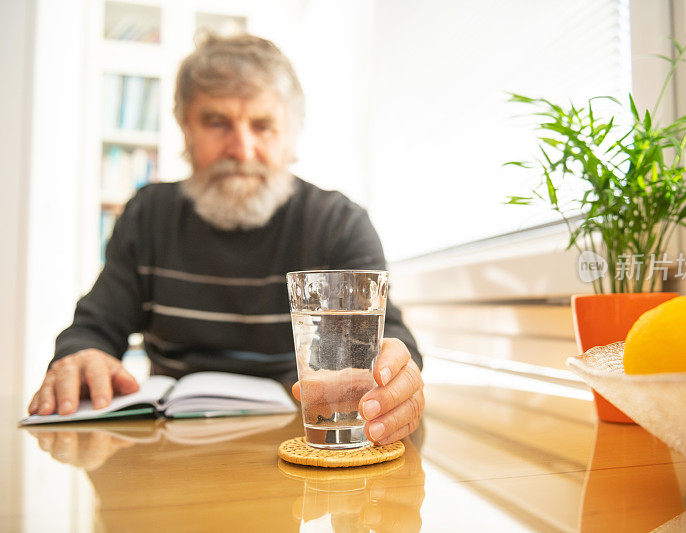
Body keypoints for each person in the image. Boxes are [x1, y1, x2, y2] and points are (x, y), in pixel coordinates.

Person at [26, 34, 424, 446]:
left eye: (263, 125)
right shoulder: (149, 215)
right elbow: (93, 328)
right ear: (185, 130)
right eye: (217, 123)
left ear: (291, 136)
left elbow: (389, 339)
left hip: (307, 446)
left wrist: (395, 377)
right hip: (170, 457)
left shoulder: (338, 223)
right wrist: (80, 357)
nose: (242, 148)